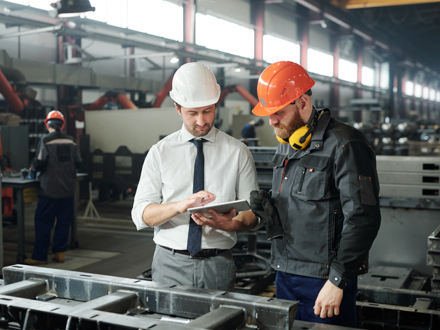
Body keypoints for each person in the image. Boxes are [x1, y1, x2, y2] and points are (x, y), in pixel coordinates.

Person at [249, 61, 381, 327]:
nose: (271, 120)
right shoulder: (287, 145)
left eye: (278, 112)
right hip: (285, 274)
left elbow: (363, 217)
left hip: (323, 280)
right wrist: (270, 212)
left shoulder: (345, 144)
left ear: (302, 103)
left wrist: (338, 280)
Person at [131, 62, 260, 291]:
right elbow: (141, 215)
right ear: (178, 108)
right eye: (193, 113)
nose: (201, 121)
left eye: (208, 111)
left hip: (218, 264)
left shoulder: (238, 152)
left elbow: (254, 214)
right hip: (169, 263)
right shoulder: (160, 152)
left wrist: (230, 224)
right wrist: (180, 206)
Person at [24, 110, 82, 265]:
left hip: (49, 189)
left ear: (47, 124)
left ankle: (40, 255)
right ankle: (60, 253)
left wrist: (31, 170)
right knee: (64, 221)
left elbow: (40, 162)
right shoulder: (72, 141)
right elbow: (79, 162)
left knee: (43, 222)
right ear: (62, 124)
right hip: (68, 189)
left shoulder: (45, 140)